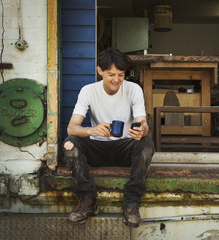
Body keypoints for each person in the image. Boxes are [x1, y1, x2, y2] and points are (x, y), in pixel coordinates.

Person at [63, 48, 154, 227]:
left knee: (147, 143)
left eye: (121, 74)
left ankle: (132, 204)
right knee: (70, 144)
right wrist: (92, 131)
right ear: (100, 71)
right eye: (111, 74)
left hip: (125, 148)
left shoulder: (134, 89)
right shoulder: (88, 91)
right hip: (97, 149)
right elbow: (71, 128)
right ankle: (87, 200)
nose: (117, 79)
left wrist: (141, 130)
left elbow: (142, 123)